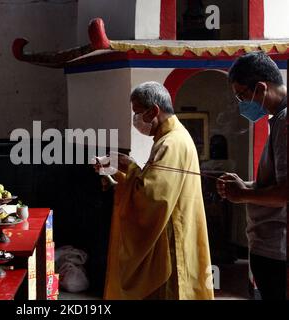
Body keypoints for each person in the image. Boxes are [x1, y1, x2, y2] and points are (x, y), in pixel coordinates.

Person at [95, 82, 214, 300]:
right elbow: (151, 183)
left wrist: (127, 165)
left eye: (137, 113)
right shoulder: (169, 138)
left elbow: (152, 198)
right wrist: (119, 178)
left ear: (154, 111)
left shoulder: (172, 143)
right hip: (173, 231)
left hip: (170, 242)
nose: (136, 120)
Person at [216, 51, 287, 300]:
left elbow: (285, 193)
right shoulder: (278, 120)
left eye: (242, 96)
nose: (241, 104)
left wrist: (244, 194)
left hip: (278, 249)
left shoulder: (286, 122)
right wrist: (245, 186)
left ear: (260, 87)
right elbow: (275, 185)